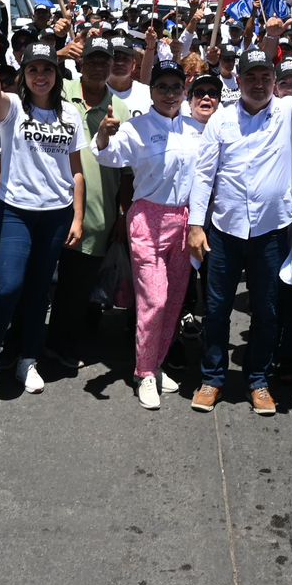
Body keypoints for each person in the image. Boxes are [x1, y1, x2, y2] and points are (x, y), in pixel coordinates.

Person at [188, 41, 292, 415]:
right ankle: (212, 378)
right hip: (224, 230)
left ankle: (258, 380)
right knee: (217, 309)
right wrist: (195, 225)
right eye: (252, 76)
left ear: (275, 81)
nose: (260, 83)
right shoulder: (221, 118)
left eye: (267, 76)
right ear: (241, 79)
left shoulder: (288, 112)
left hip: (270, 231)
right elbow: (203, 175)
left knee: (266, 310)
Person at [0, 35, 86, 403]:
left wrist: (78, 217)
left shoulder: (70, 114)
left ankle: (27, 359)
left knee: (40, 291)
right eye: (33, 69)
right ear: (23, 74)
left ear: (57, 75)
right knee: (7, 287)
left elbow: (77, 171)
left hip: (56, 214)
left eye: (47, 69)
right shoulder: (12, 108)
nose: (41, 76)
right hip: (17, 211)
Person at [94, 59, 207, 409]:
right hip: (147, 217)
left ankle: (155, 364)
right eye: (162, 87)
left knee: (173, 302)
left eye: (175, 87)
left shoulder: (197, 129)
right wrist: (103, 134)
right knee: (153, 300)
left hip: (185, 222)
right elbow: (108, 157)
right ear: (152, 90)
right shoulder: (135, 127)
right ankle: (143, 372)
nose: (169, 94)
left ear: (183, 90)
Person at [53, 37, 133, 367]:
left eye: (105, 61)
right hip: (54, 204)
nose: (99, 66)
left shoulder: (122, 109)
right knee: (50, 283)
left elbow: (127, 171)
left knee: (79, 284)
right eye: (92, 60)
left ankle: (62, 344)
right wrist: (56, 53)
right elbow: (21, 83)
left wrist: (122, 213)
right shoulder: (60, 93)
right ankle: (40, 343)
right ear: (79, 63)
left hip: (99, 211)